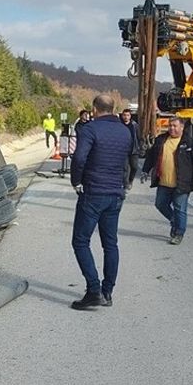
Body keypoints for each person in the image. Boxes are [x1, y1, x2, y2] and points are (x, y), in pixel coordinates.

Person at [68, 95, 133, 310]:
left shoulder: (90, 129)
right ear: (112, 108)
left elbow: (79, 158)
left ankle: (94, 290)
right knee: (110, 243)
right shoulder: (125, 131)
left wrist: (76, 181)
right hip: (115, 193)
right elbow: (128, 161)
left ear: (95, 109)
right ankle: (107, 292)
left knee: (80, 241)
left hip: (94, 192)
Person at [142, 116, 193, 245]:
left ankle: (178, 233)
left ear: (182, 127)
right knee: (160, 204)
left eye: (174, 126)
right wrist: (145, 170)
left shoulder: (190, 142)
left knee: (180, 209)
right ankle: (174, 221)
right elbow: (151, 156)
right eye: (170, 126)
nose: (171, 128)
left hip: (182, 183)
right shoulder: (161, 140)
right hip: (163, 182)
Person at [119, 107, 141, 190]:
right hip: (123, 150)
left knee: (134, 167)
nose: (126, 117)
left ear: (130, 116)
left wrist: (140, 147)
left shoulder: (135, 126)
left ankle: (131, 180)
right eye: (124, 115)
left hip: (134, 150)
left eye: (127, 115)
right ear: (122, 116)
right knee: (125, 168)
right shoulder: (119, 125)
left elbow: (139, 137)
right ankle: (126, 184)